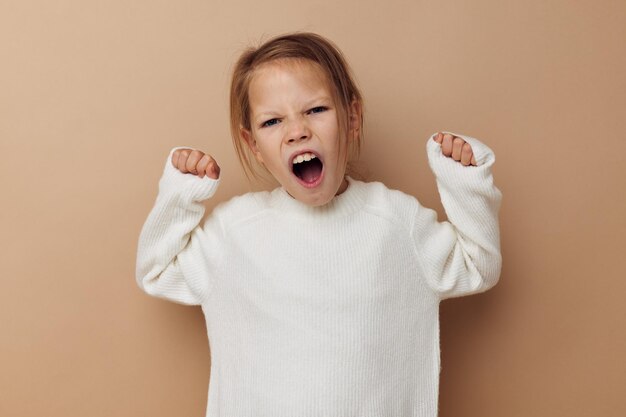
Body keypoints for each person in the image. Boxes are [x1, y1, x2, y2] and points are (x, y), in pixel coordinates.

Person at [135, 32, 502, 417]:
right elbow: (156, 271)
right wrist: (181, 193)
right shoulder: (235, 231)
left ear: (352, 118)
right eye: (273, 121)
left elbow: (479, 265)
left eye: (316, 110)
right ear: (253, 145)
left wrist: (466, 182)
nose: (297, 131)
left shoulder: (396, 221)